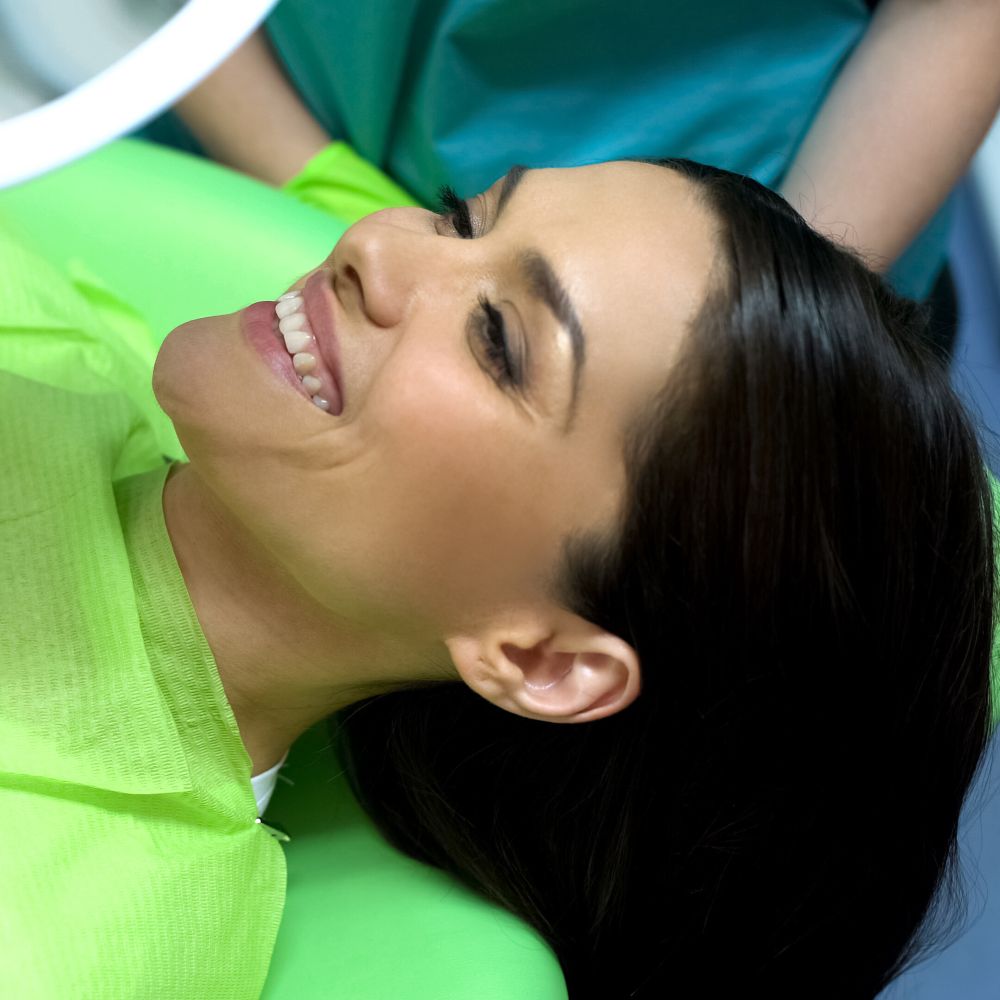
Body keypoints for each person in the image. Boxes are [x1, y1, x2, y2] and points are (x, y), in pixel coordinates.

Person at [64, 154, 1000, 996]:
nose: (376, 249)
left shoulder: (84, 930)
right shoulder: (70, 322)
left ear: (543, 659)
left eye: (497, 344)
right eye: (460, 220)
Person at [155, 0, 1000, 361]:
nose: (376, 259)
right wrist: (298, 172)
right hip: (244, 116)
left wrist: (774, 319)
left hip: (783, 218)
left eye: (504, 350)